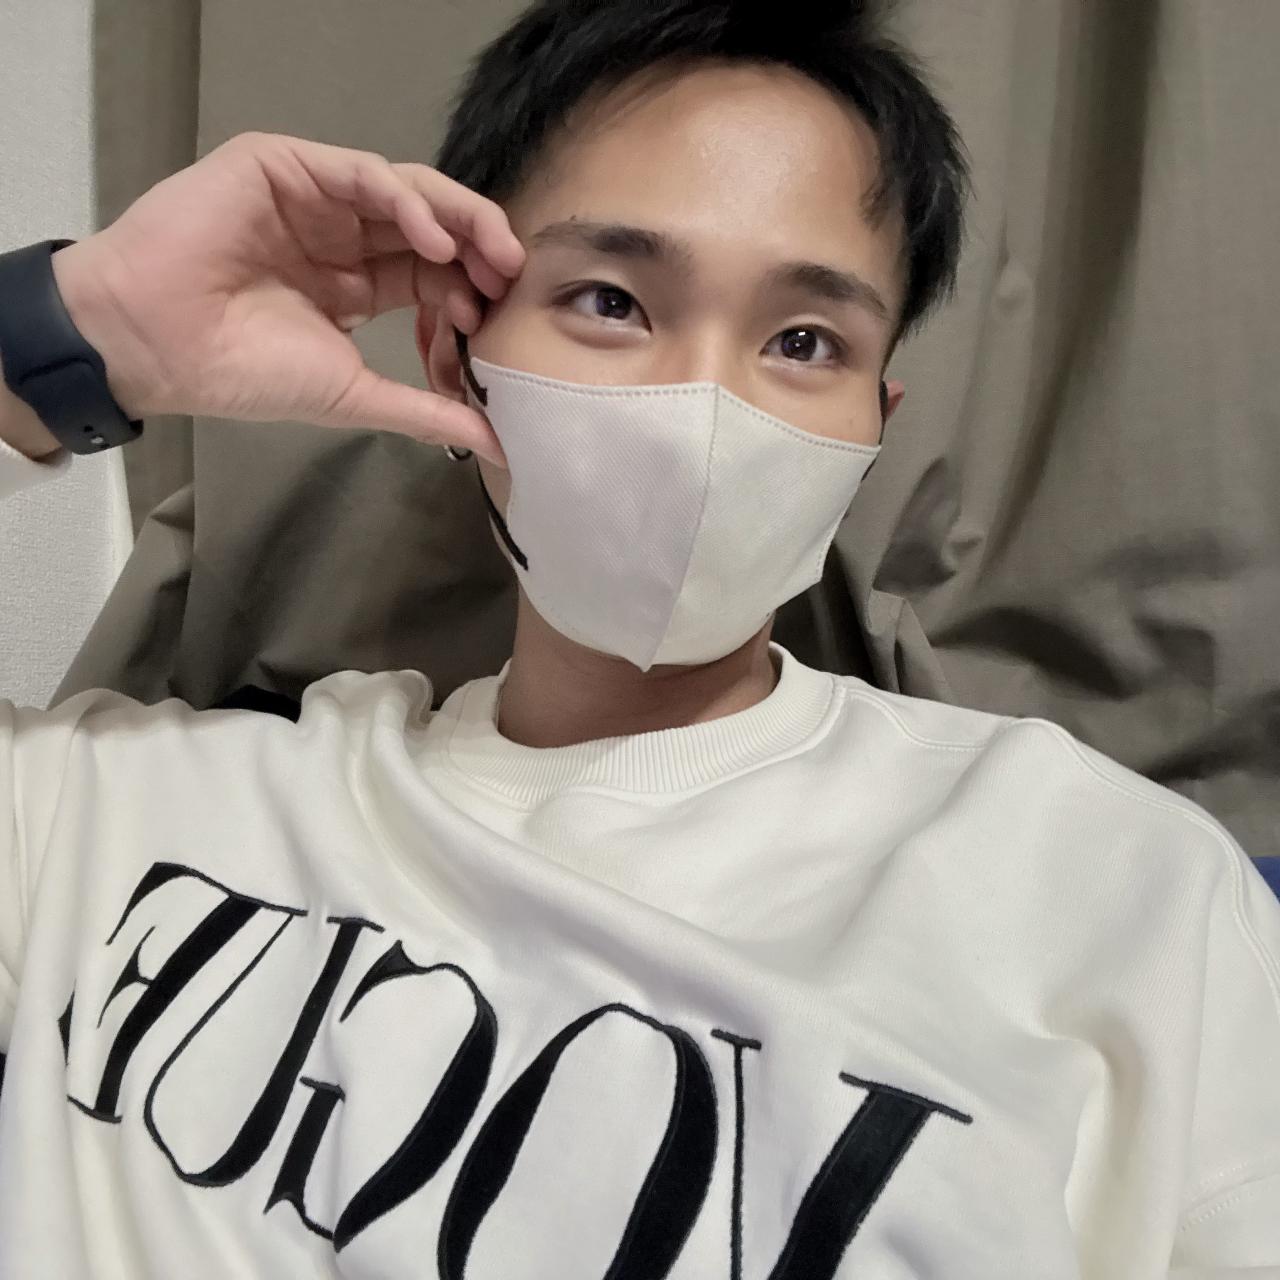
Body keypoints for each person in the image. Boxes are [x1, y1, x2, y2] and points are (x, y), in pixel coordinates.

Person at [0, 1, 1277, 1275]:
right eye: (611, 301)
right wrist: (76, 332)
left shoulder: (1116, 892)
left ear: (873, 425)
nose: (699, 408)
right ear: (452, 356)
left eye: (802, 340)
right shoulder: (119, 808)